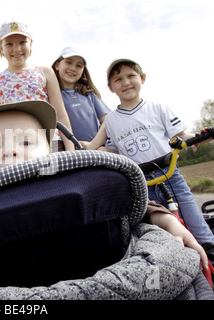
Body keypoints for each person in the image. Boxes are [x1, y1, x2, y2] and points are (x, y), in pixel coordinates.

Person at [0, 101, 209, 300]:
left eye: (25, 142)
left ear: (51, 154)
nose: (10, 151)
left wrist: (164, 218)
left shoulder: (76, 180)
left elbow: (122, 201)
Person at [88, 58, 214, 249]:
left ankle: (208, 254)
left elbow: (181, 136)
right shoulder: (111, 121)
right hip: (141, 184)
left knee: (198, 229)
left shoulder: (157, 108)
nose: (126, 82)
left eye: (131, 76)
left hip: (171, 176)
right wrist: (96, 150)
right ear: (110, 87)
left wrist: (197, 137)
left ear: (143, 78)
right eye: (118, 79)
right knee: (164, 236)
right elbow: (111, 149)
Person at [0, 20, 74, 152]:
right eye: (9, 44)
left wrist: (71, 150)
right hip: (15, 148)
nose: (17, 49)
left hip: (50, 142)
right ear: (0, 48)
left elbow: (60, 114)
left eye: (22, 42)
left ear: (31, 44)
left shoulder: (45, 72)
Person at [51, 46, 111, 144]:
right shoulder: (51, 95)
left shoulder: (89, 94)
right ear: (57, 65)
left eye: (79, 66)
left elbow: (107, 121)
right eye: (68, 62)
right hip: (65, 151)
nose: (73, 68)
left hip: (93, 151)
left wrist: (94, 144)